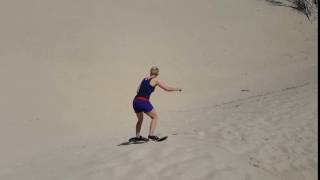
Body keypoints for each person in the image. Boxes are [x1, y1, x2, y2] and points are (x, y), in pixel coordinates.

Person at [132, 66, 182, 141]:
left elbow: (137, 90)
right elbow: (167, 88)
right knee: (155, 117)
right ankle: (151, 135)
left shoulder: (144, 79)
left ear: (150, 72)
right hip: (144, 101)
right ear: (157, 73)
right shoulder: (156, 80)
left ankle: (137, 136)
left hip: (136, 101)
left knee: (140, 120)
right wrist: (177, 89)